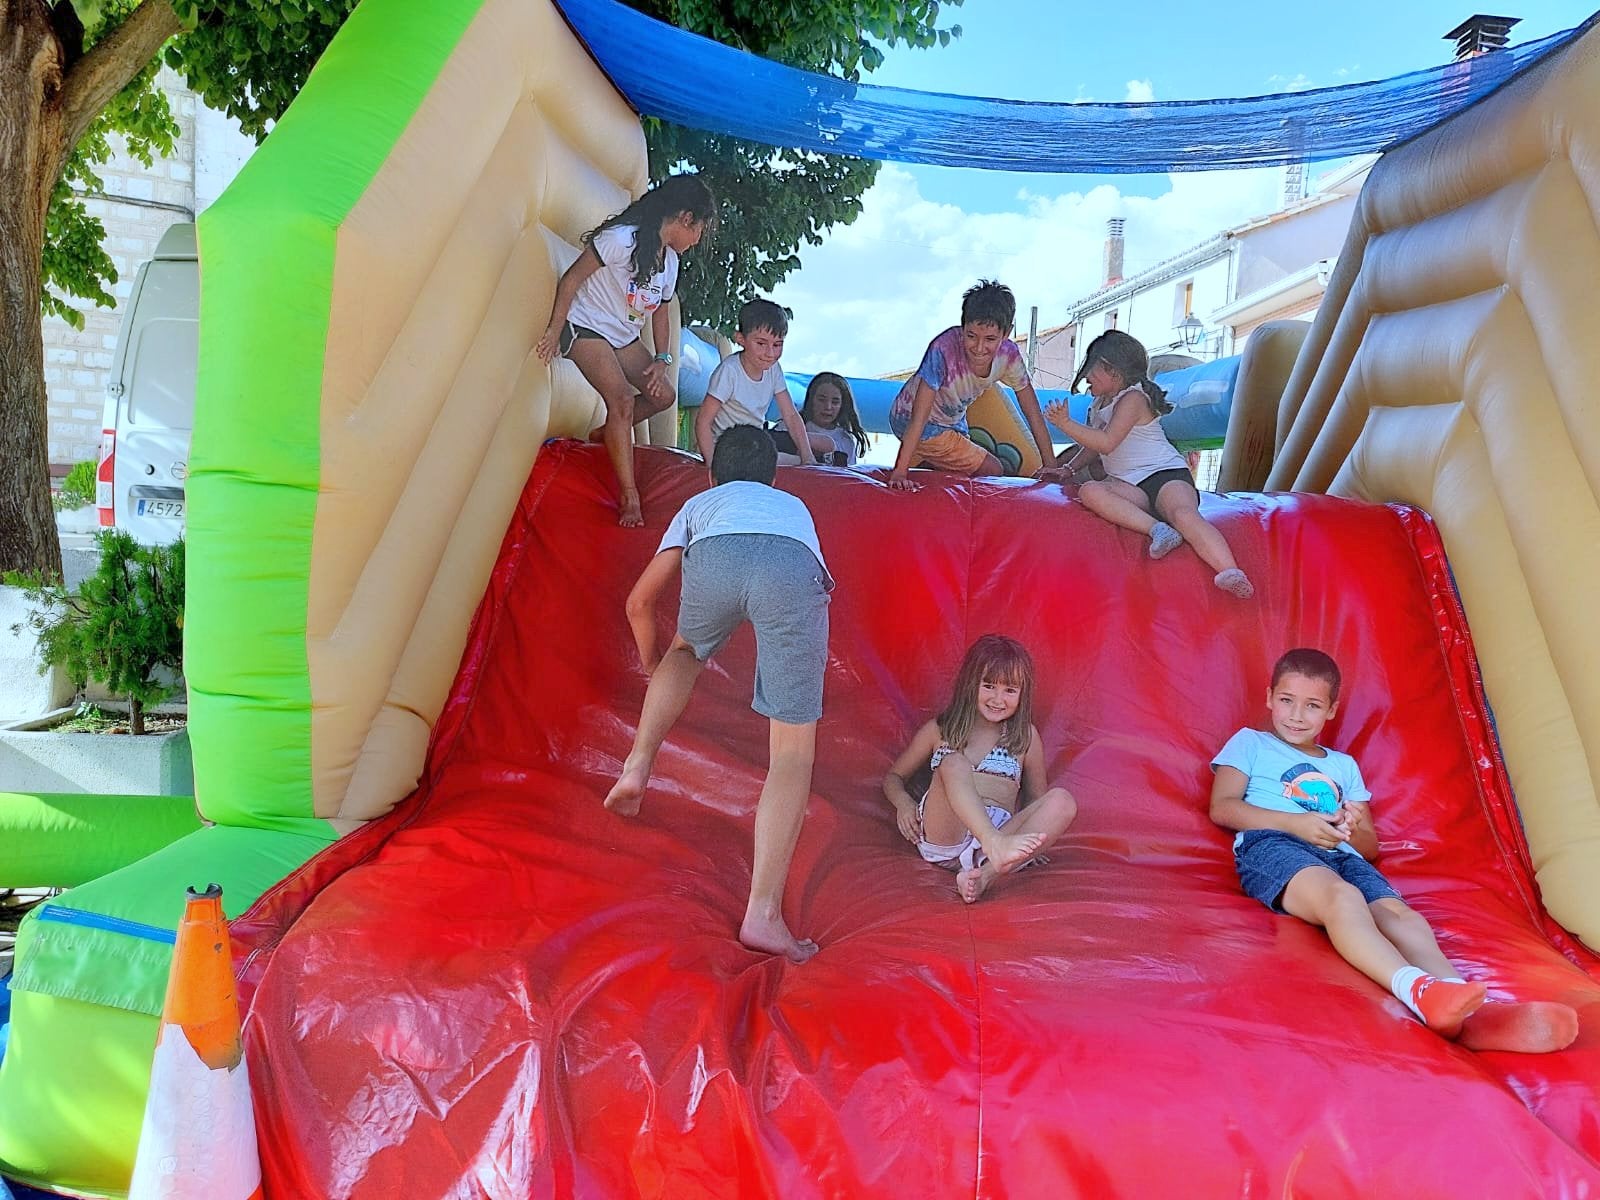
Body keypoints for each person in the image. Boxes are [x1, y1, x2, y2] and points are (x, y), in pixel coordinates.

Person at [1210, 648, 1579, 1052]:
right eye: (1286, 701)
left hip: (1340, 852)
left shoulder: (1343, 765)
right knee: (1342, 897)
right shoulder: (1251, 743)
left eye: (1312, 705)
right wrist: (1294, 823)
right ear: (1269, 697)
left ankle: (1472, 1010)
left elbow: (1369, 846)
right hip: (1274, 843)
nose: (1297, 715)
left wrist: (1348, 830)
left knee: (1401, 914)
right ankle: (1418, 990)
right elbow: (1223, 807)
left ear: (1331, 710)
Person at [605, 425, 832, 963]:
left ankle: (637, 765)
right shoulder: (792, 506)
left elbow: (639, 603)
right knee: (792, 754)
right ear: (773, 479)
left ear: (712, 475)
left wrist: (653, 665)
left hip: (716, 556)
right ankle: (764, 913)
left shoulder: (701, 505)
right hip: (791, 565)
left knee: (684, 653)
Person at [536, 173, 717, 528]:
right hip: (586, 326)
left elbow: (662, 311)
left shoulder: (670, 262)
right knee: (621, 401)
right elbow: (571, 279)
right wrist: (556, 329)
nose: (697, 241)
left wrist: (663, 359)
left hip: (622, 337)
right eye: (700, 231)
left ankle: (608, 433)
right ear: (685, 219)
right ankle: (629, 494)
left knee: (663, 396)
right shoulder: (622, 239)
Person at [1044, 331, 1254, 599]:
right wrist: (1068, 469)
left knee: (1184, 515)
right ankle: (1157, 530)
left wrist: (1065, 424)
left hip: (1165, 476)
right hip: (1131, 486)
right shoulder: (1098, 404)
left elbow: (1107, 442)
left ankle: (1229, 570)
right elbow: (1092, 446)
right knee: (1090, 491)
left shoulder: (1133, 398)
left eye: (1092, 368)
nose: (1086, 375)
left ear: (1113, 372)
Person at [883, 634, 1078, 904]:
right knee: (952, 762)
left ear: (1023, 694)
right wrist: (904, 804)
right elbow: (894, 777)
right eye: (989, 686)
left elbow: (1037, 800)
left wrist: (1035, 840)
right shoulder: (941, 729)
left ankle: (983, 877)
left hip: (998, 842)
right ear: (970, 684)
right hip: (947, 833)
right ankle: (992, 842)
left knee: (1063, 801)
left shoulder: (1025, 737)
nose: (998, 698)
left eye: (1010, 690)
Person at [887, 280, 1057, 488]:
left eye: (990, 339)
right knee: (993, 469)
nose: (979, 348)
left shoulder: (1009, 358)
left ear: (1006, 333)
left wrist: (1051, 467)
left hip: (953, 421)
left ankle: (933, 470)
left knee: (970, 461)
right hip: (912, 419)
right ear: (962, 326)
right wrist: (900, 471)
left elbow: (1032, 413)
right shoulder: (944, 349)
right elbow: (919, 414)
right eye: (971, 336)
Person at [694, 299, 816, 469]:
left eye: (777, 345)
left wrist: (807, 456)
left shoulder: (774, 370)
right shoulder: (730, 371)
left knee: (797, 462)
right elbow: (703, 421)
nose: (770, 353)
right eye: (761, 344)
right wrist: (712, 464)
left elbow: (791, 415)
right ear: (740, 339)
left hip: (755, 446)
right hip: (726, 449)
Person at [799, 372, 870, 467]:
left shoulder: (845, 440)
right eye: (821, 400)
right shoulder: (791, 429)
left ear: (842, 405)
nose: (828, 407)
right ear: (811, 400)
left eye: (835, 402)